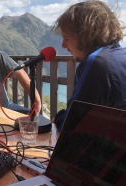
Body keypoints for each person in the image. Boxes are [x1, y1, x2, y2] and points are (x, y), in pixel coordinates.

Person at [52, 0, 126, 131]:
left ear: (84, 35)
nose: (63, 45)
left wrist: (58, 118)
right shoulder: (121, 55)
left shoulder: (97, 63)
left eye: (66, 38)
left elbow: (72, 125)